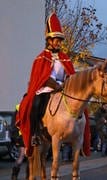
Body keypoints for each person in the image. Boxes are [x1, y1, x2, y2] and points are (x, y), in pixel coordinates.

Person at [16, 12, 91, 157]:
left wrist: (69, 83)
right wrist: (55, 85)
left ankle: (78, 139)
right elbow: (41, 77)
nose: (58, 43)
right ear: (49, 40)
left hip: (63, 90)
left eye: (59, 40)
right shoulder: (41, 57)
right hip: (46, 89)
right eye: (55, 40)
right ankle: (35, 134)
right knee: (36, 104)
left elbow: (70, 76)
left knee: (81, 108)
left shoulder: (65, 58)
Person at [11, 104, 26, 180]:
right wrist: (16, 138)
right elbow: (14, 125)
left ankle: (29, 176)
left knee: (28, 158)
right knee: (22, 156)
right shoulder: (19, 108)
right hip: (22, 136)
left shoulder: (21, 107)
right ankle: (14, 176)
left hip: (25, 136)